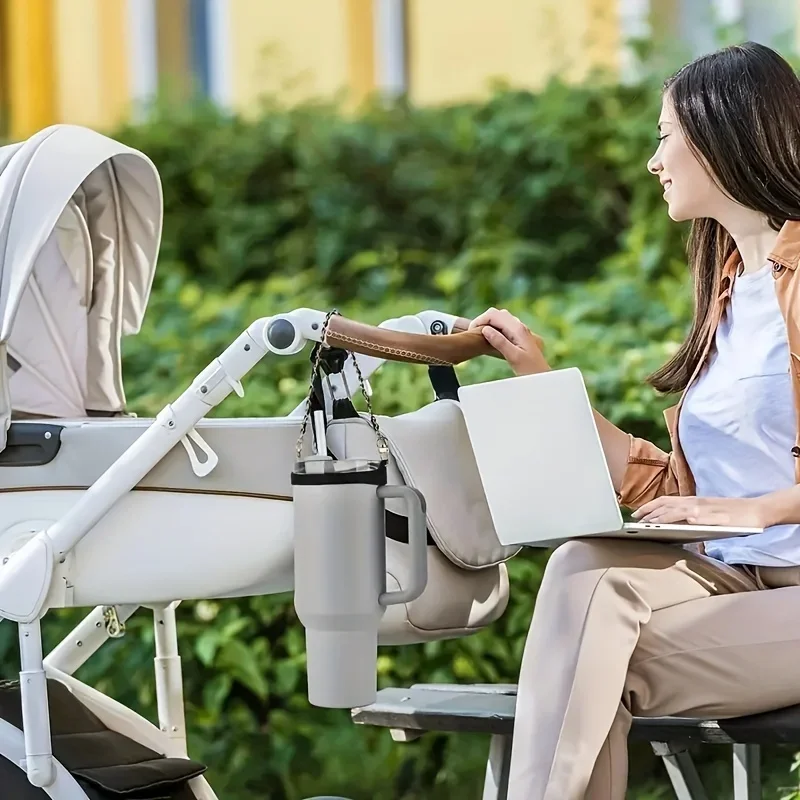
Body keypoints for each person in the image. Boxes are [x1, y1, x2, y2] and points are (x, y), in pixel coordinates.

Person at [469, 41, 800, 800]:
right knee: (583, 569)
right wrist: (542, 381)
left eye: (663, 135)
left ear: (722, 135)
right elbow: (673, 487)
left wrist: (757, 509)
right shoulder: (729, 290)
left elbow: (736, 502)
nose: (654, 161)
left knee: (580, 675)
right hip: (739, 584)